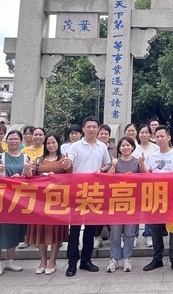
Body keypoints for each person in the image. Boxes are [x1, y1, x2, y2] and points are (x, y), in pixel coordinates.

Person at [65, 116, 111, 277]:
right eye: (88, 127)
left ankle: (86, 260)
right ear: (83, 129)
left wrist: (102, 170)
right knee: (75, 229)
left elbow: (108, 163)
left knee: (90, 230)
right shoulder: (75, 146)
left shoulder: (102, 146)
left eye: (94, 127)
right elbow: (69, 162)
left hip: (94, 192)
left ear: (98, 129)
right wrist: (66, 163)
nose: (91, 129)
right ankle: (72, 263)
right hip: (77, 192)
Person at [0, 129, 33, 276]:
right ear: (6, 141)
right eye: (11, 139)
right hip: (0, 198)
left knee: (14, 229)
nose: (13, 141)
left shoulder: (26, 157)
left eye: (16, 139)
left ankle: (10, 260)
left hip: (17, 199)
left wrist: (27, 172)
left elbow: (30, 178)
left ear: (21, 141)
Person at [26, 133, 71, 275]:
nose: (51, 145)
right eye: (49, 143)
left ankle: (52, 260)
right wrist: (28, 171)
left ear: (58, 143)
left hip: (58, 201)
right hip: (40, 200)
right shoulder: (39, 160)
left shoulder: (64, 159)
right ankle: (42, 260)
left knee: (55, 230)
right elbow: (31, 177)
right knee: (40, 229)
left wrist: (66, 169)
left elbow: (71, 178)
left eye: (54, 142)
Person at [143, 125, 173, 274]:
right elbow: (148, 174)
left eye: (163, 136)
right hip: (156, 196)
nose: (160, 139)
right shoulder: (152, 156)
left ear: (169, 137)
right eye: (157, 136)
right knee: (156, 229)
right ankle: (157, 258)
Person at [106, 136, 147, 273]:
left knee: (129, 232)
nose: (125, 147)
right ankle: (114, 258)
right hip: (116, 202)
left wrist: (142, 165)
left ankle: (127, 258)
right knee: (115, 233)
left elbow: (146, 177)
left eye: (128, 145)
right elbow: (108, 179)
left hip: (132, 202)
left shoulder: (137, 162)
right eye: (123, 145)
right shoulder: (115, 161)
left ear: (132, 147)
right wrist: (113, 166)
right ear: (119, 148)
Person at [94, 124, 116, 249]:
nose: (103, 135)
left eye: (106, 133)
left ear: (109, 135)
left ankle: (114, 235)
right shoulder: (94, 146)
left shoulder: (115, 148)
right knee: (98, 209)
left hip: (112, 183)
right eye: (101, 133)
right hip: (96, 183)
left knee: (110, 209)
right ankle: (97, 236)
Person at [138, 124, 159, 247]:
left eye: (146, 132)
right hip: (136, 183)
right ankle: (134, 235)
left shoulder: (156, 148)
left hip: (152, 183)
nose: (144, 135)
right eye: (142, 132)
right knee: (135, 209)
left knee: (149, 209)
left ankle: (149, 235)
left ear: (150, 135)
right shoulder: (133, 147)